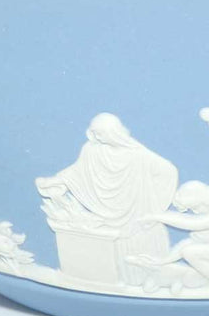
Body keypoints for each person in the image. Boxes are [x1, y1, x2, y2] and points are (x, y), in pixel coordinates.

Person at [36, 113, 178, 284]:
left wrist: (154, 202)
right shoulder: (92, 150)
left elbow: (167, 171)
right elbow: (76, 172)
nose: (96, 137)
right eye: (94, 133)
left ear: (113, 132)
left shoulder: (138, 155)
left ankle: (144, 280)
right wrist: (54, 181)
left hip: (135, 210)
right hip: (106, 212)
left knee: (136, 246)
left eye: (100, 133)